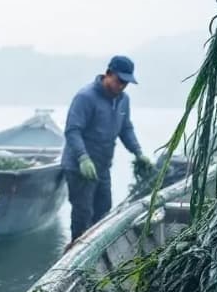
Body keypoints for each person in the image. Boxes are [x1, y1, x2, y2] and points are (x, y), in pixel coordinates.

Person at [61, 55, 152, 241]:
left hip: (102, 167)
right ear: (108, 74)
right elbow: (72, 130)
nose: (122, 86)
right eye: (120, 81)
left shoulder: (123, 100)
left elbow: (126, 129)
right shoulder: (85, 97)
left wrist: (138, 152)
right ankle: (74, 254)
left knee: (103, 211)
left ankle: (95, 257)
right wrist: (82, 157)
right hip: (80, 168)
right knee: (82, 214)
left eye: (126, 83)